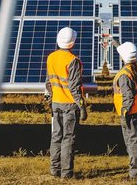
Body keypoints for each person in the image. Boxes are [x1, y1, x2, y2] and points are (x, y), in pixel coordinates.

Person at [45, 27, 87, 179]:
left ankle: (54, 170)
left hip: (56, 102)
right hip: (70, 105)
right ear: (72, 42)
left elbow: (48, 82)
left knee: (56, 136)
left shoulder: (51, 57)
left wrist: (51, 98)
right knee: (68, 138)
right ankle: (66, 173)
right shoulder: (73, 61)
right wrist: (82, 106)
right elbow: (75, 88)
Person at [113, 41, 137, 180]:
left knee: (132, 142)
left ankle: (135, 175)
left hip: (130, 113)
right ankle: (135, 172)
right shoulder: (135, 67)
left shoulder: (124, 75)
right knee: (135, 141)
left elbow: (128, 97)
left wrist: (125, 112)